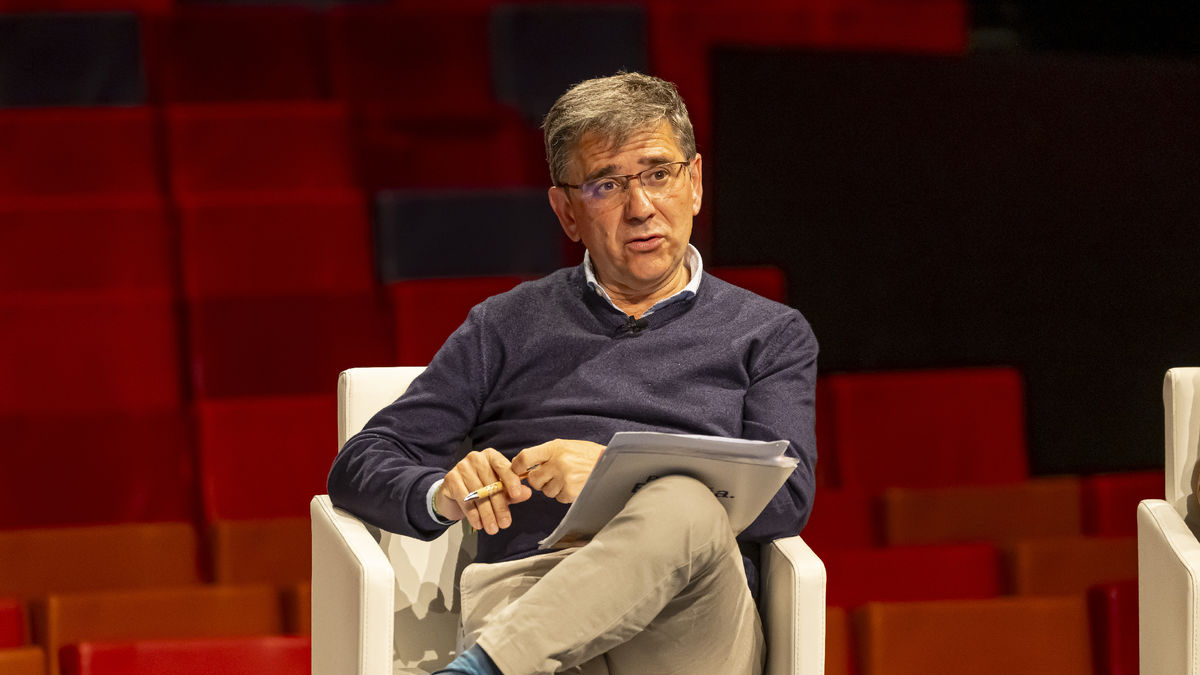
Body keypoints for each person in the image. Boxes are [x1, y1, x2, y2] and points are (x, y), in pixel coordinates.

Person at [327, 72, 818, 675]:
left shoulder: (769, 333)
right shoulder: (506, 325)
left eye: (658, 175)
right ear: (566, 212)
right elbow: (361, 462)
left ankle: (481, 670)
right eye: (606, 185)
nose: (641, 209)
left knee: (685, 503)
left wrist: (614, 477)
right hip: (532, 592)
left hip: (688, 618)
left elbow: (787, 497)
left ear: (694, 183)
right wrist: (443, 493)